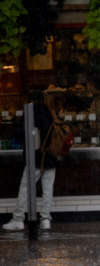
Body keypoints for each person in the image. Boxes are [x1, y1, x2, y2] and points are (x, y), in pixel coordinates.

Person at [3, 92, 62, 231]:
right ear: (43, 99)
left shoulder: (31, 112)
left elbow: (19, 133)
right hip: (51, 156)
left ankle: (18, 219)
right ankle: (46, 219)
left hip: (35, 157)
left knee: (25, 188)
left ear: (31, 100)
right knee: (48, 189)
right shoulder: (50, 112)